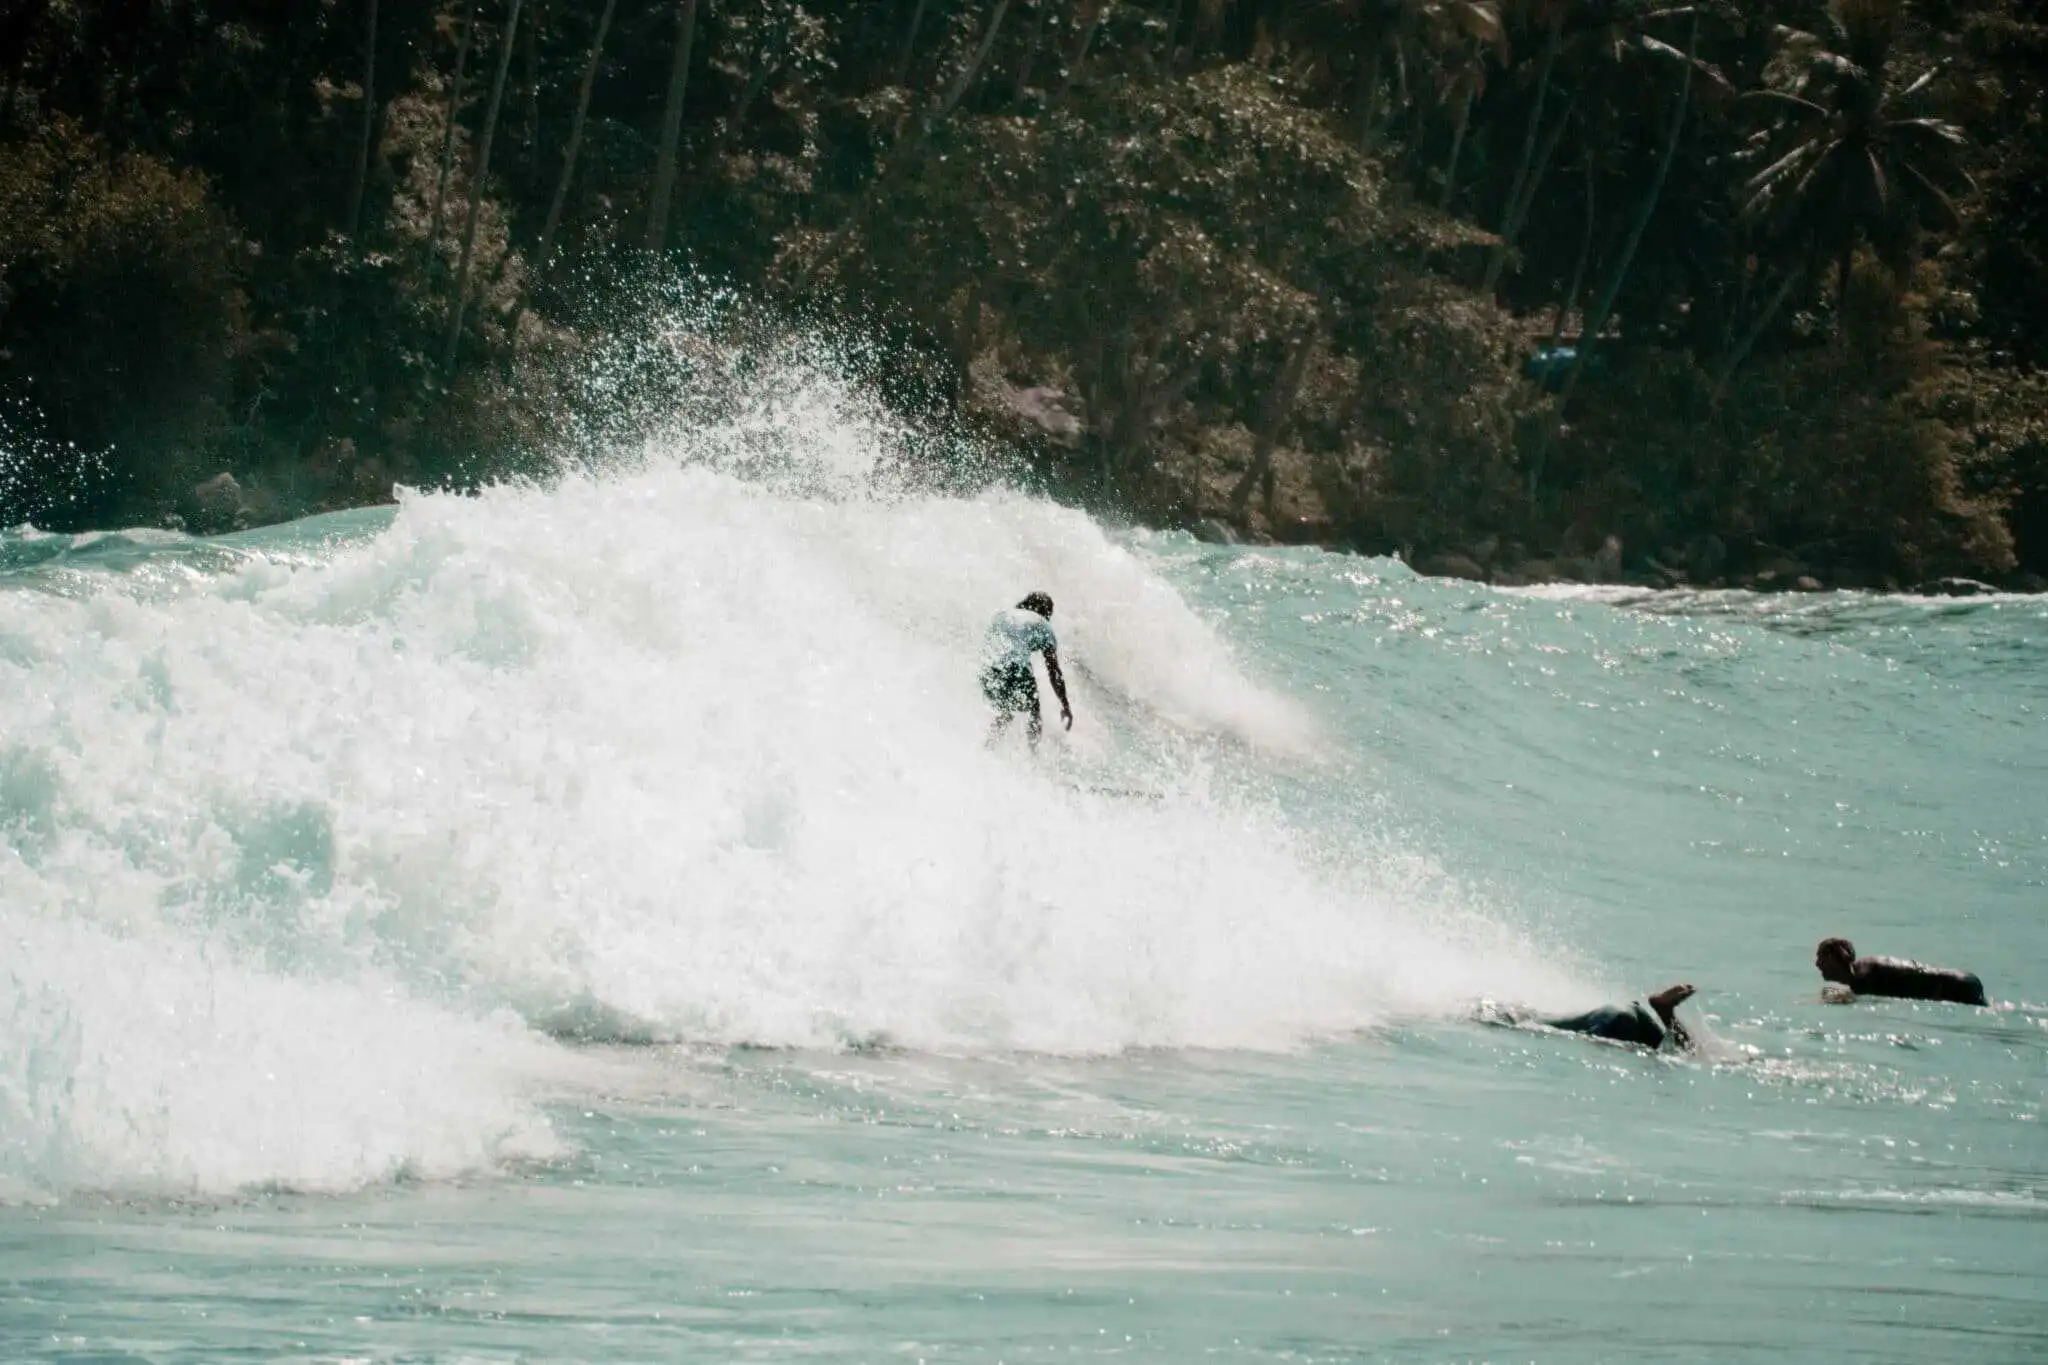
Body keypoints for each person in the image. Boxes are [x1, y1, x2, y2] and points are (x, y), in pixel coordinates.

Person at [980, 591, 1072, 749]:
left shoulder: (1002, 615)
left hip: (989, 669)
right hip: (1015, 668)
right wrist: (1065, 705)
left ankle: (987, 748)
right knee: (1034, 712)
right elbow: (1053, 671)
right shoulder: (1042, 624)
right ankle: (1033, 755)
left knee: (1006, 712)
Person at [1814, 938, 1987, 1006]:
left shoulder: (1862, 979)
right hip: (1963, 979)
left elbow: (1861, 998)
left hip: (1955, 985)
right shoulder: (1865, 966)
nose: (1817, 964)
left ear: (1833, 958)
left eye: (1820, 958)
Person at [1541, 983, 1697, 1052]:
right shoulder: (1541, 1017)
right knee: (1686, 1053)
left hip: (1619, 1017)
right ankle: (1665, 1011)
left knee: (1684, 1053)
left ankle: (1665, 1011)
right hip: (1627, 1016)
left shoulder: (1534, 1018)